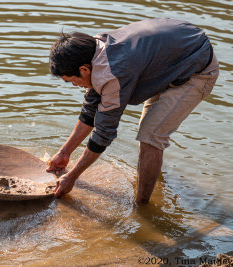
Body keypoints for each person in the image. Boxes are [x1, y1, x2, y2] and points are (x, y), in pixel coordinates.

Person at [46, 17, 219, 203]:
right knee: (150, 135)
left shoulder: (112, 74)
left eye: (73, 80)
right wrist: (65, 152)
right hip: (172, 56)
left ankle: (142, 208)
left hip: (196, 69)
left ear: (84, 69)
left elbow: (103, 134)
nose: (74, 85)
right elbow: (90, 112)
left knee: (151, 137)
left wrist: (72, 176)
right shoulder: (91, 49)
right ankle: (154, 183)